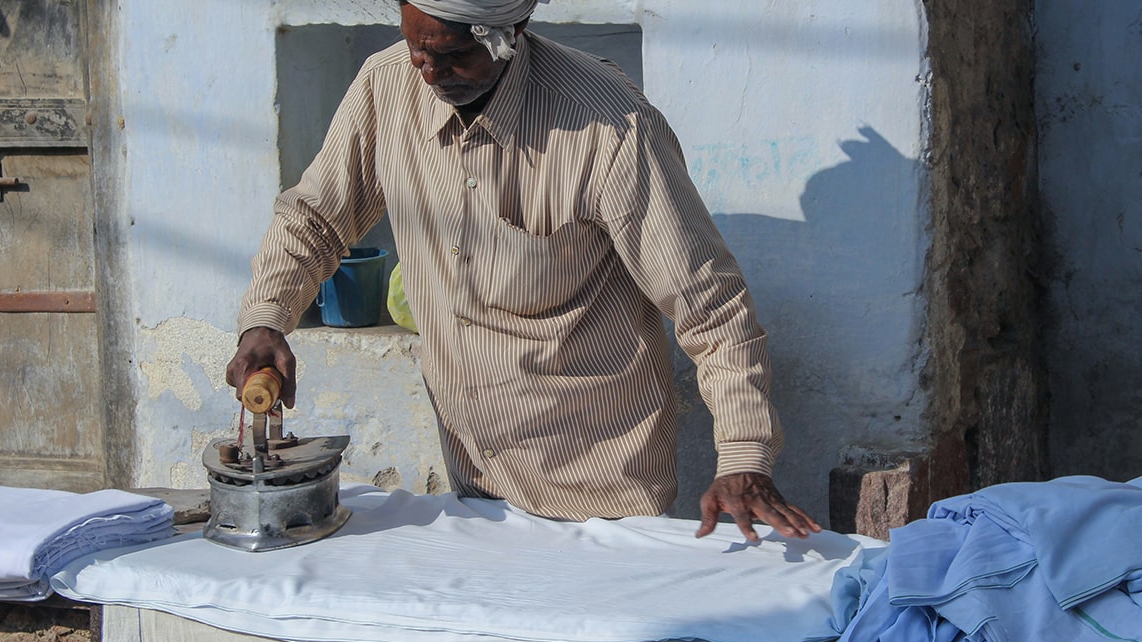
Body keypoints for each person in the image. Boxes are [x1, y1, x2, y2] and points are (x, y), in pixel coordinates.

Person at [225, 0, 821, 542]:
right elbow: (314, 218)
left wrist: (744, 458)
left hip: (600, 492)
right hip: (473, 477)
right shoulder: (387, 87)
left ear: (511, 35)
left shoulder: (608, 127)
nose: (427, 72)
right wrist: (266, 320)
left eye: (452, 55)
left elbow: (710, 307)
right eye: (416, 48)